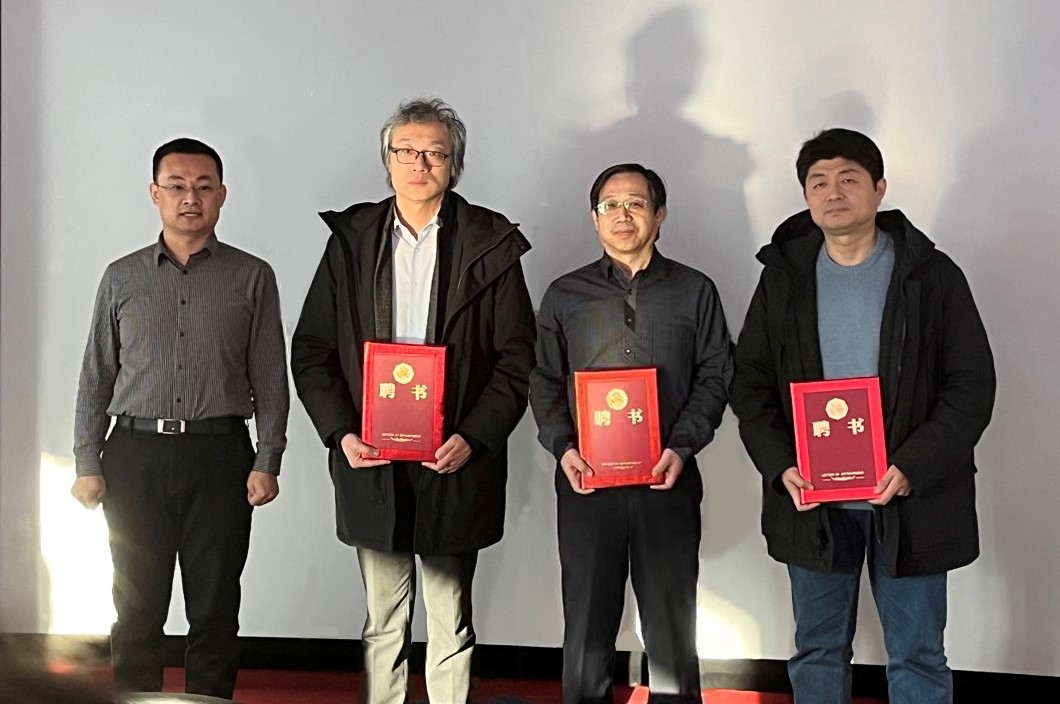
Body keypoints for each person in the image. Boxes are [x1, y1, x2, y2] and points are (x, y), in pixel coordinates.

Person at [730, 128, 996, 704]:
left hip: (910, 497)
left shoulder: (930, 274)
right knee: (817, 650)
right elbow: (749, 382)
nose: (833, 192)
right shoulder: (783, 278)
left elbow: (972, 385)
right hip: (814, 501)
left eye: (849, 178)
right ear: (806, 195)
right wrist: (781, 465)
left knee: (918, 655)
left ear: (879, 188)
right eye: (818, 182)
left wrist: (914, 466)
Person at [290, 98, 535, 704]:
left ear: (455, 164)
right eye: (406, 150)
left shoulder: (490, 243)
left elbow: (517, 357)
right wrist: (341, 433)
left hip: (454, 455)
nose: (419, 163)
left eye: (434, 152)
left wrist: (474, 437)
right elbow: (313, 347)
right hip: (370, 455)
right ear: (387, 160)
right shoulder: (351, 242)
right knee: (383, 620)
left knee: (451, 623)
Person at [71, 137, 290, 699]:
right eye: (176, 186)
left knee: (214, 605)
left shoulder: (252, 276)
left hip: (220, 454)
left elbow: (270, 376)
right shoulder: (121, 276)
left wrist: (268, 459)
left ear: (222, 195)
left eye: (203, 186)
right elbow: (96, 375)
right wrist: (87, 462)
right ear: (155, 194)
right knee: (136, 605)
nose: (190, 198)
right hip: (134, 455)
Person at [529, 163, 732, 704]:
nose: (623, 215)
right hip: (586, 483)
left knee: (671, 626)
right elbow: (544, 379)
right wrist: (563, 448)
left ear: (659, 215)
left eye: (636, 204)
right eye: (610, 205)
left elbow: (716, 376)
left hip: (668, 480)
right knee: (586, 625)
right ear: (594, 219)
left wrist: (682, 447)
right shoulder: (564, 294)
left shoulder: (694, 290)